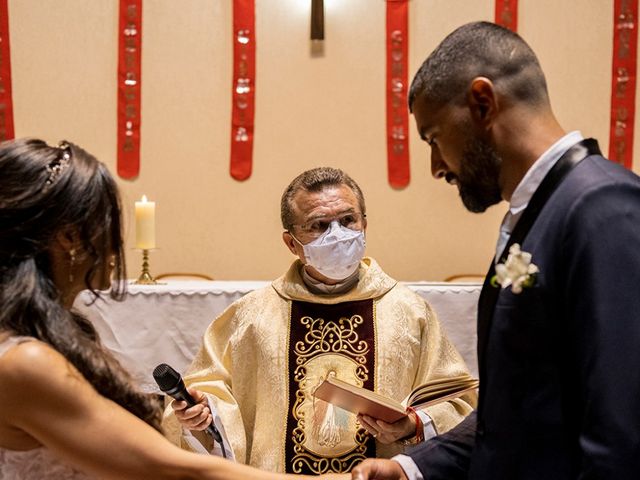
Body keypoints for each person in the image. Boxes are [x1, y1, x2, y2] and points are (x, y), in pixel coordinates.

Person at [352, 21, 640, 480]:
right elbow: (520, 414)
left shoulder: (603, 208)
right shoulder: (542, 212)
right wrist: (410, 468)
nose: (435, 166)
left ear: (482, 103)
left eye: (432, 138)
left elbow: (622, 434)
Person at [0, 138, 346, 480]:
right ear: (70, 237)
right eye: (107, 218)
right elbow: (172, 469)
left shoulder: (40, 339)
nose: (117, 240)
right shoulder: (25, 363)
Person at [164, 167, 477, 474]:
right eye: (319, 225)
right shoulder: (251, 317)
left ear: (364, 225)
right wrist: (203, 415)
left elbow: (460, 404)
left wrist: (412, 425)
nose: (337, 235)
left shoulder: (411, 312)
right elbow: (209, 393)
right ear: (291, 243)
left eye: (347, 220)